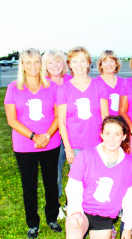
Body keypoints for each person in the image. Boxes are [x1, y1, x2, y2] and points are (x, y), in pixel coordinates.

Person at [57, 116, 132, 239]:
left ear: (124, 136)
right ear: (101, 134)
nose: (112, 138)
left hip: (105, 216)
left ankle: (109, 236)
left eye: (117, 134)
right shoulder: (86, 155)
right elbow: (73, 186)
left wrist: (128, 226)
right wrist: (75, 210)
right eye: (107, 133)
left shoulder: (128, 163)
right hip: (82, 211)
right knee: (74, 235)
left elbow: (130, 197)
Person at [4, 48, 62, 239]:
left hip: (50, 143)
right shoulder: (14, 88)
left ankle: (52, 218)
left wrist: (46, 136)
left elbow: (57, 115)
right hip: (24, 145)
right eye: (28, 62)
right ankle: (32, 224)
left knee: (50, 182)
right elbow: (12, 120)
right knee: (29, 186)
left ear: (41, 64)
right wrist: (34, 137)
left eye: (36, 61)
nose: (33, 66)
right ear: (22, 65)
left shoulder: (51, 86)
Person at [57, 46, 109, 166]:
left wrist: (106, 141)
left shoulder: (99, 86)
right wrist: (68, 148)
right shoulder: (63, 89)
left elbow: (106, 117)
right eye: (74, 61)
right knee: (79, 182)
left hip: (97, 143)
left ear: (88, 63)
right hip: (75, 145)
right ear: (69, 64)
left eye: (82, 61)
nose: (78, 65)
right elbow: (62, 122)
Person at [42, 49, 73, 220]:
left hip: (73, 134)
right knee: (54, 174)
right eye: (50, 62)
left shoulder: (71, 81)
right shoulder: (43, 83)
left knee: (75, 172)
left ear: (64, 63)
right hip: (53, 136)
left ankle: (71, 202)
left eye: (58, 61)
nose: (55, 65)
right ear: (45, 66)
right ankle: (55, 205)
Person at [96, 50, 124, 115]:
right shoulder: (95, 83)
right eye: (105, 62)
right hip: (104, 123)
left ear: (116, 64)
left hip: (122, 122)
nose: (108, 64)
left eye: (111, 61)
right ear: (101, 65)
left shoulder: (124, 82)